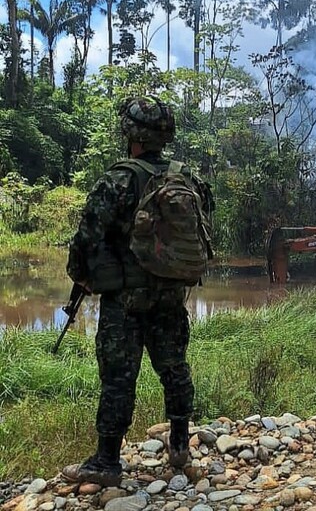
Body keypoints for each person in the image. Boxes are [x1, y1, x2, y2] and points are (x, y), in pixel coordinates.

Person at [62, 96, 214, 487]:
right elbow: (200, 227)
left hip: (125, 301)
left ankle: (106, 461)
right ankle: (180, 445)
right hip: (169, 298)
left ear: (130, 134)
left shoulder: (118, 179)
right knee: (175, 369)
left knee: (118, 378)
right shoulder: (187, 178)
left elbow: (85, 239)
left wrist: (82, 276)